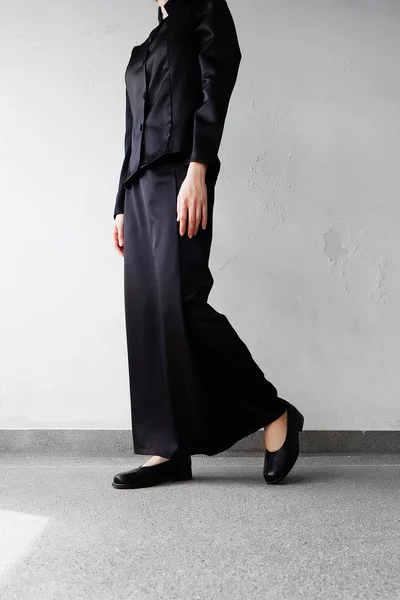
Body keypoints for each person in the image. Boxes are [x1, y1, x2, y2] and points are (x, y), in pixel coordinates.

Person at [111, 0, 304, 489]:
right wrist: (118, 204)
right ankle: (167, 451)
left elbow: (219, 77)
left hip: (180, 173)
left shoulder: (203, 8)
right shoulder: (143, 47)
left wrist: (199, 166)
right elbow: (129, 130)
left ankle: (274, 410)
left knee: (182, 302)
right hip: (139, 186)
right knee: (149, 314)